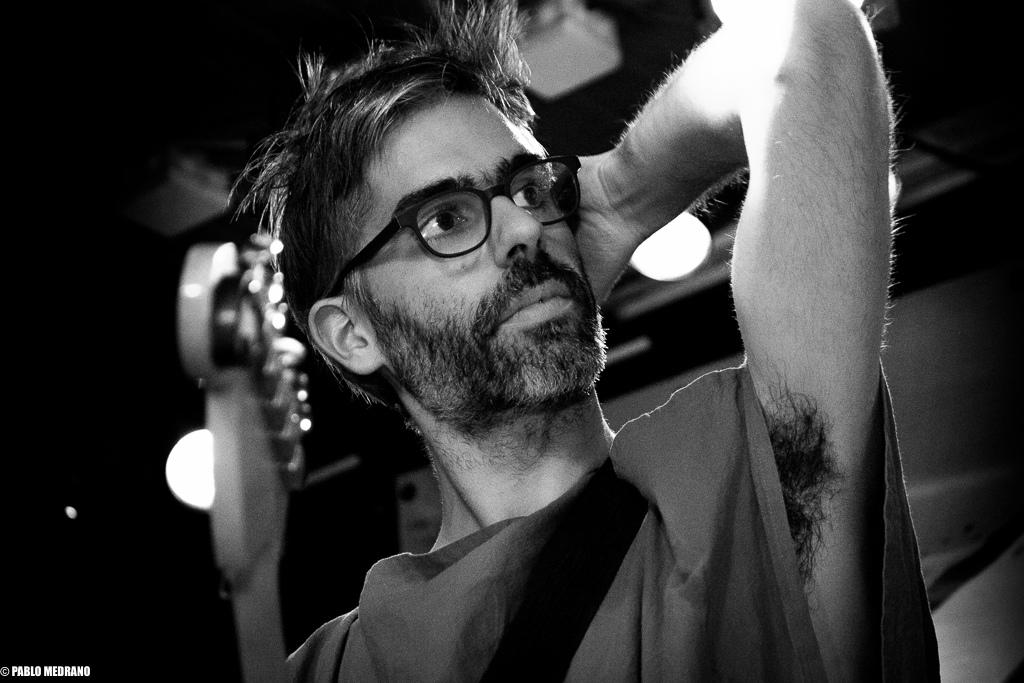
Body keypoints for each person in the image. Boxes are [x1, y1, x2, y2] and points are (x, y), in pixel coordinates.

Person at [241, 0, 939, 680]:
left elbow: (805, 34)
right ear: (352, 333)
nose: (525, 227)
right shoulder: (334, 666)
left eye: (530, 189)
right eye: (445, 219)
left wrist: (622, 195)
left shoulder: (731, 496)